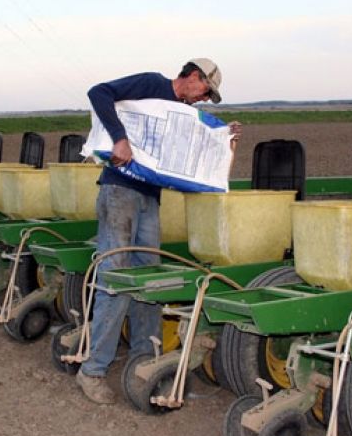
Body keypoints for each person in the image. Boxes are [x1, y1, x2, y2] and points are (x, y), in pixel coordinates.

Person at [76, 58, 240, 404]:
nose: (203, 100)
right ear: (193, 77)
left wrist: (222, 143)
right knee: (115, 279)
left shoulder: (182, 116)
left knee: (149, 280)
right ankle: (92, 372)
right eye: (205, 92)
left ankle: (143, 362)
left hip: (150, 199)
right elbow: (99, 92)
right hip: (119, 191)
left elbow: (193, 164)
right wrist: (120, 140)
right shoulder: (152, 84)